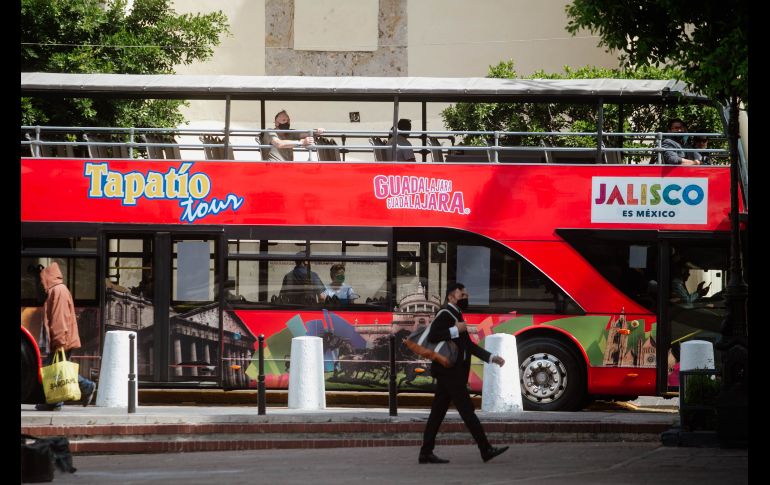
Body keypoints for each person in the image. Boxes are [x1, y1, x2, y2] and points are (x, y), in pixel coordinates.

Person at [419, 282, 509, 464]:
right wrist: (455, 330)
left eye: (466, 296)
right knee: (468, 411)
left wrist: (492, 358)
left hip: (449, 373)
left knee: (437, 413)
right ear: (451, 296)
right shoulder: (445, 314)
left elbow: (468, 346)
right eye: (462, 296)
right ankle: (485, 449)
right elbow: (433, 336)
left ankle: (425, 453)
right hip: (450, 373)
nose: (465, 298)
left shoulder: (457, 314)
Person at [35, 262, 96, 411]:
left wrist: (59, 340)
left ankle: (85, 388)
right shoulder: (57, 290)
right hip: (61, 339)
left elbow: (59, 318)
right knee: (59, 369)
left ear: (48, 277)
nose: (42, 283)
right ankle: (55, 402)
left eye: (42, 279)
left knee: (56, 369)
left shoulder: (58, 291)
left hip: (62, 339)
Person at [260, 110, 325, 161]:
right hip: (274, 168)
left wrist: (317, 131)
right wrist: (301, 142)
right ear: (276, 123)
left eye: (288, 120)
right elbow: (278, 143)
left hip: (288, 168)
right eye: (284, 120)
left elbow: (305, 134)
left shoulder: (290, 132)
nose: (287, 123)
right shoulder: (270, 131)